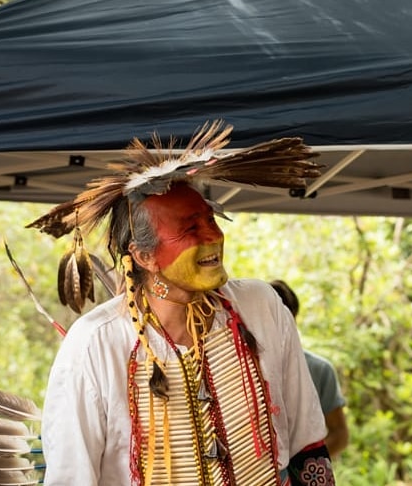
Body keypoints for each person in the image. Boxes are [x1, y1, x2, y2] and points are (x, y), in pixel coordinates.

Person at [31, 121, 335, 485]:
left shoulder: (260, 307)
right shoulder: (96, 344)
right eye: (191, 228)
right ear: (144, 256)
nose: (214, 236)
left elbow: (306, 442)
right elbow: (72, 477)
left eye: (210, 219)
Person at [269, 280, 349, 459]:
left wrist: (305, 467)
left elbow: (340, 434)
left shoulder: (320, 370)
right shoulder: (242, 372)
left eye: (287, 321)